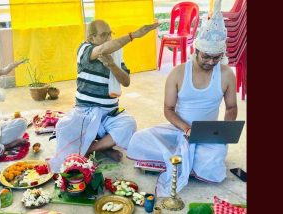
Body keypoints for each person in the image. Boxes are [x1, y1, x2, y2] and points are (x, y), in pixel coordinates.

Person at [127, 0, 237, 196]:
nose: (210, 62)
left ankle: (180, 162)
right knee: (139, 139)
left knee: (216, 155)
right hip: (179, 129)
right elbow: (168, 109)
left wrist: (223, 133)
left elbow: (231, 107)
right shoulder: (178, 73)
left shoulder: (227, 74)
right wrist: (186, 128)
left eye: (216, 57)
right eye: (206, 57)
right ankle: (188, 162)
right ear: (196, 50)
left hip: (207, 134)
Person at [48, 20, 160, 172]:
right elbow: (102, 49)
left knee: (128, 124)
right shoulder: (84, 49)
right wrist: (134, 35)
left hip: (109, 114)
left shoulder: (116, 54)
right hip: (85, 113)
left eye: (110, 34)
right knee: (63, 128)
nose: (109, 38)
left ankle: (90, 149)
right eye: (104, 35)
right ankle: (102, 148)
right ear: (91, 38)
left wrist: (112, 65)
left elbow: (126, 82)